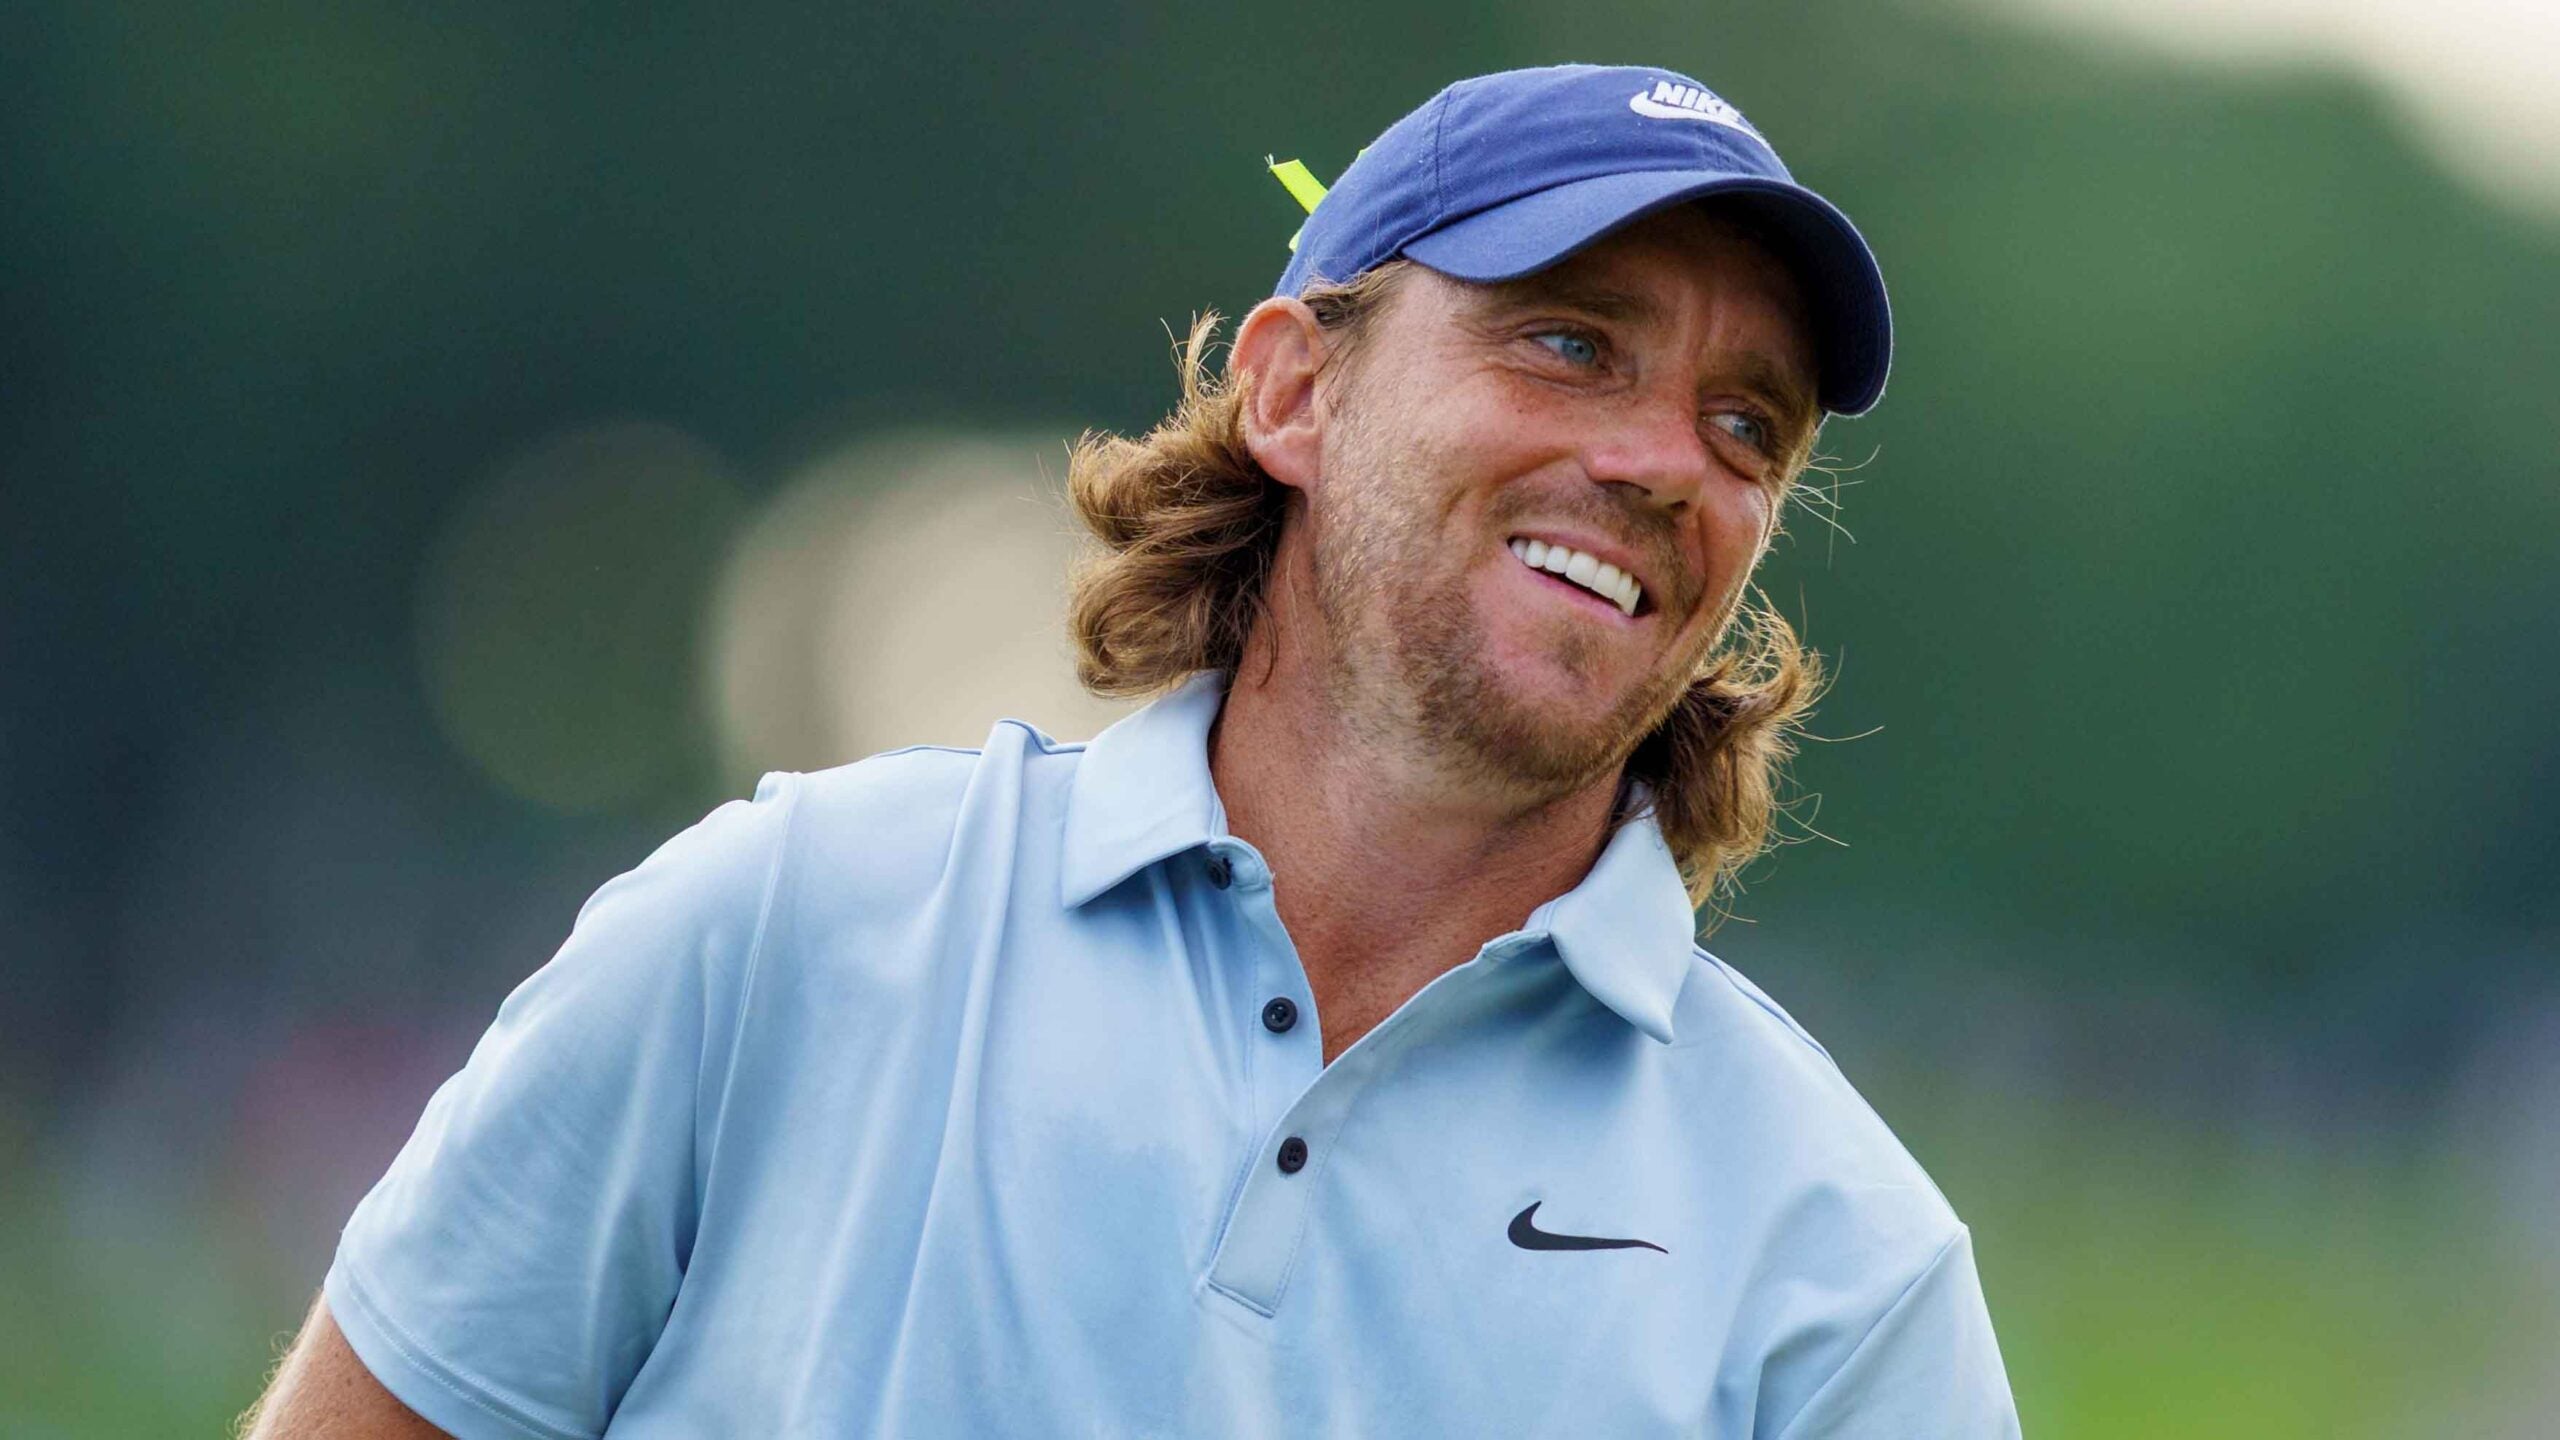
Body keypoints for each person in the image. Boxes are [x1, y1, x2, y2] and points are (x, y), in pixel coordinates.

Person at [246, 62, 2019, 1439]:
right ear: (1296, 392)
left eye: (1743, 426)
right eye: (1568, 342)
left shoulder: (1841, 1264)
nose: (1662, 462)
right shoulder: (781, 929)